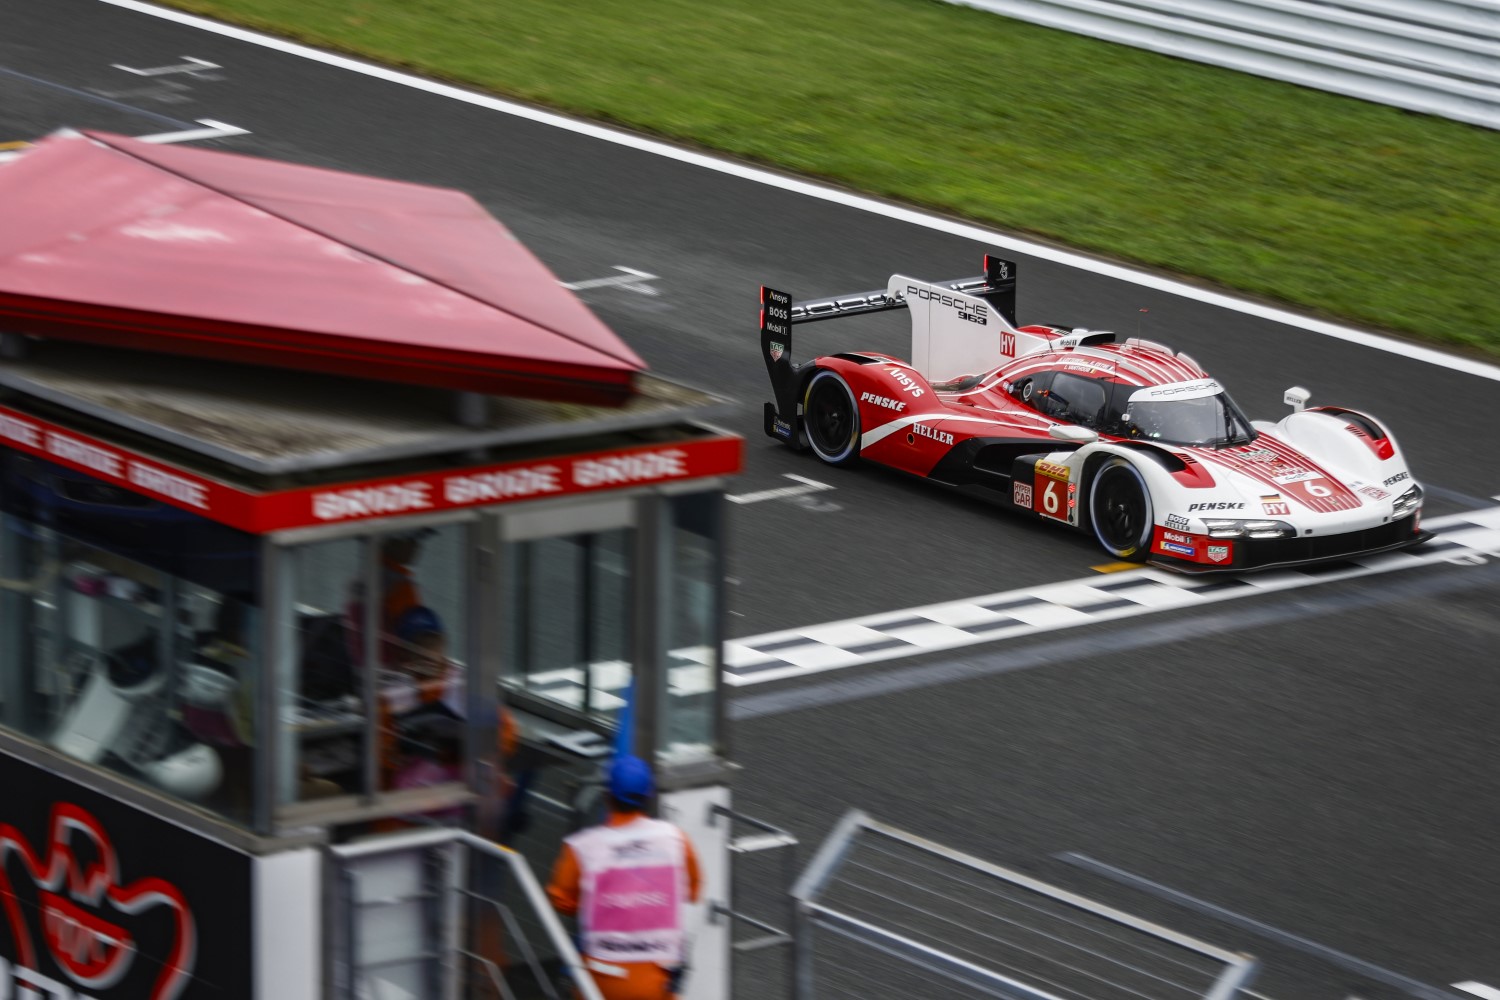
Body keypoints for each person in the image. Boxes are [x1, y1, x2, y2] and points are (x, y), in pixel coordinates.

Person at [547, 755, 702, 1000]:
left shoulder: (582, 847)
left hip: (600, 982)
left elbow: (561, 900)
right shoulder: (676, 839)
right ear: (648, 796)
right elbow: (692, 890)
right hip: (658, 983)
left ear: (607, 796)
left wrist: (600, 904)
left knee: (579, 946)